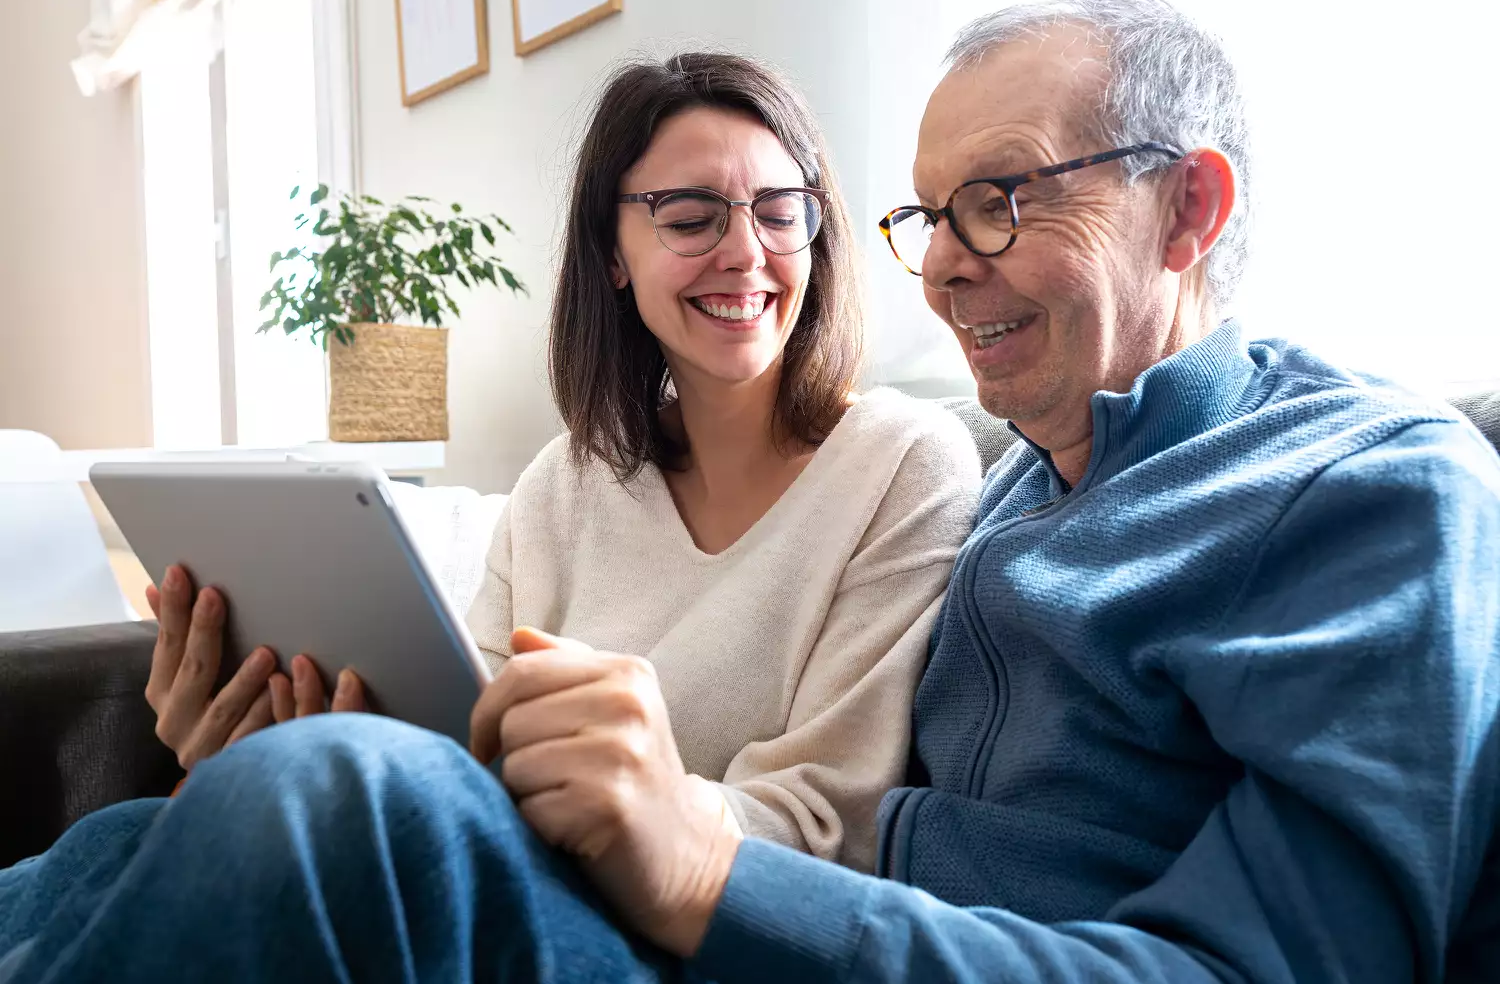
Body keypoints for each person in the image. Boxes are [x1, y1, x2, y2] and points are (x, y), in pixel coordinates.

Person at [4, 0, 1499, 983]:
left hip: (777, 944)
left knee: (341, 796)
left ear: (1192, 207)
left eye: (1004, 196)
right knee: (148, 827)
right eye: (930, 212)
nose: (944, 262)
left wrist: (711, 868)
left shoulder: (1371, 483)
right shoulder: (1022, 488)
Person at [111, 52, 982, 873]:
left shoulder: (901, 465)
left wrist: (626, 801)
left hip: (654, 933)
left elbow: (830, 824)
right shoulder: (563, 486)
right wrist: (278, 744)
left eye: (782, 211)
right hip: (461, 867)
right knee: (129, 832)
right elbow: (461, 747)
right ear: (612, 254)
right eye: (690, 218)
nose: (747, 251)